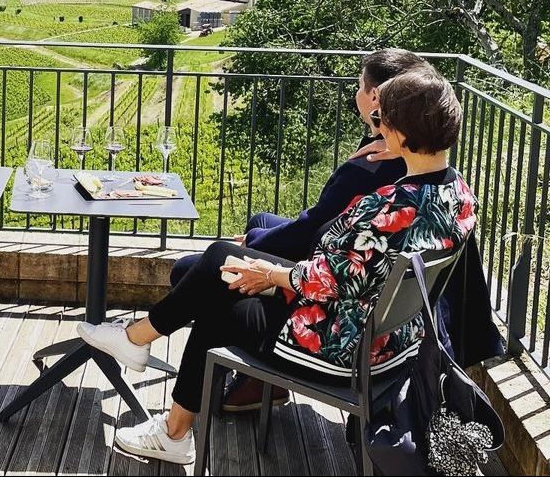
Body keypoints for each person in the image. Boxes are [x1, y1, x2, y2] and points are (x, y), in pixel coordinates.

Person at [78, 68, 478, 465]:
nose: (379, 125)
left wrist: (271, 275)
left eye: (384, 119)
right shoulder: (458, 194)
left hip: (340, 345)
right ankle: (160, 398)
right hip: (394, 342)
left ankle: (158, 392)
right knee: (222, 267)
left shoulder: (389, 204)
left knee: (218, 292)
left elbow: (338, 277)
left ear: (400, 132)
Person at [168, 48, 426, 412]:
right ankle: (256, 385)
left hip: (333, 337)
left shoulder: (374, 171)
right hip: (387, 335)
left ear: (376, 100)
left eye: (358, 84)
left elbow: (322, 245)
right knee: (257, 225)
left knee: (205, 274)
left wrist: (271, 273)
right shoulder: (433, 186)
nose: (355, 92)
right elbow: (332, 235)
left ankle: (176, 419)